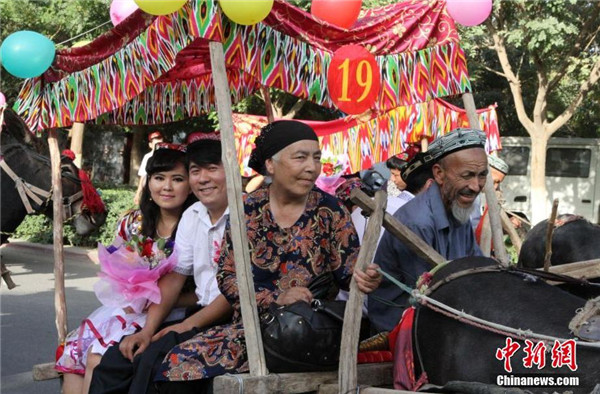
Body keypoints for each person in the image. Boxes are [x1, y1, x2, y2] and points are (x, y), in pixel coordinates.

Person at [150, 120, 382, 393]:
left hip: (308, 333)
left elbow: (349, 274)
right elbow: (228, 278)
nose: (311, 167)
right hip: (250, 330)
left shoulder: (331, 211)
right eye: (300, 157)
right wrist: (275, 298)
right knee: (176, 366)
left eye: (316, 158)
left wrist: (366, 277)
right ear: (271, 165)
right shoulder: (247, 209)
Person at [89, 134, 233, 394]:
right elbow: (176, 277)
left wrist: (184, 326)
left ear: (232, 170)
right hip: (197, 317)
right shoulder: (193, 214)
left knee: (156, 365)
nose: (203, 179)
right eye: (195, 171)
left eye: (213, 169)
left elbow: (236, 292)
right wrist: (147, 331)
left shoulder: (249, 214)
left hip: (233, 320)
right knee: (116, 360)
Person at [57, 144, 195, 394]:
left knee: (98, 358)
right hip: (131, 309)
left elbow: (207, 290)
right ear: (149, 181)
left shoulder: (197, 225)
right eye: (159, 178)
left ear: (191, 184)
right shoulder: (134, 222)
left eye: (177, 179)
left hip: (175, 311)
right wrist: (134, 294)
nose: (167, 187)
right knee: (74, 352)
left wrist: (157, 301)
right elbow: (119, 270)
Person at [368, 128, 488, 333]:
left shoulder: (459, 210)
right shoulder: (417, 222)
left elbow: (476, 270)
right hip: (403, 327)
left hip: (448, 312)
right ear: (439, 174)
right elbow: (430, 296)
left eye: (482, 175)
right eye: (467, 175)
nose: (476, 186)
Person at [135, 131, 164, 206]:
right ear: (150, 145)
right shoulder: (147, 157)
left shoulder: (167, 157)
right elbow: (143, 176)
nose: (158, 142)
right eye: (156, 142)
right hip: (149, 192)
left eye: (160, 140)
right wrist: (138, 194)